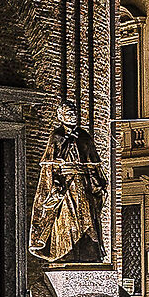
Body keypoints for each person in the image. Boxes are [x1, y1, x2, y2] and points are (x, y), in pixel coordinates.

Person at [29, 105, 108, 262]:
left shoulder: (84, 136)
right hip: (65, 185)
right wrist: (55, 186)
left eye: (74, 113)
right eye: (68, 113)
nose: (72, 116)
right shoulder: (56, 136)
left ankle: (89, 255)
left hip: (83, 185)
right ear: (61, 116)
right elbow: (50, 167)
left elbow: (92, 164)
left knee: (88, 220)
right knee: (66, 222)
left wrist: (97, 183)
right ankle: (66, 254)